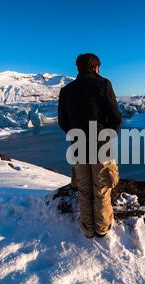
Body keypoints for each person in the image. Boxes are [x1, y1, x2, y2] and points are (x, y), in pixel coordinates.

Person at [58, 53, 122, 239]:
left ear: (78, 68)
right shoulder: (103, 84)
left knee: (84, 190)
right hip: (101, 146)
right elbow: (116, 117)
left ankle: (88, 229)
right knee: (101, 189)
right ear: (95, 67)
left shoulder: (66, 90)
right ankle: (102, 229)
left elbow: (63, 122)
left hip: (78, 148)